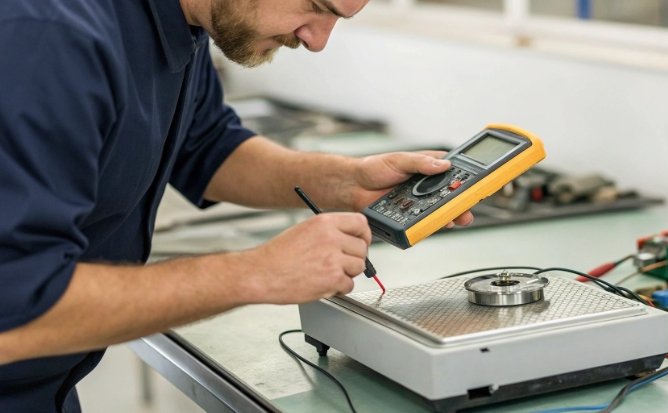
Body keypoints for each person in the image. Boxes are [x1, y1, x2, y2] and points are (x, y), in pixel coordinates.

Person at [0, 0, 473, 411]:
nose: (317, 41)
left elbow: (206, 147)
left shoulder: (182, 18)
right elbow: (16, 304)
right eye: (316, 5)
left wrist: (347, 181)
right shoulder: (49, 37)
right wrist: (257, 273)